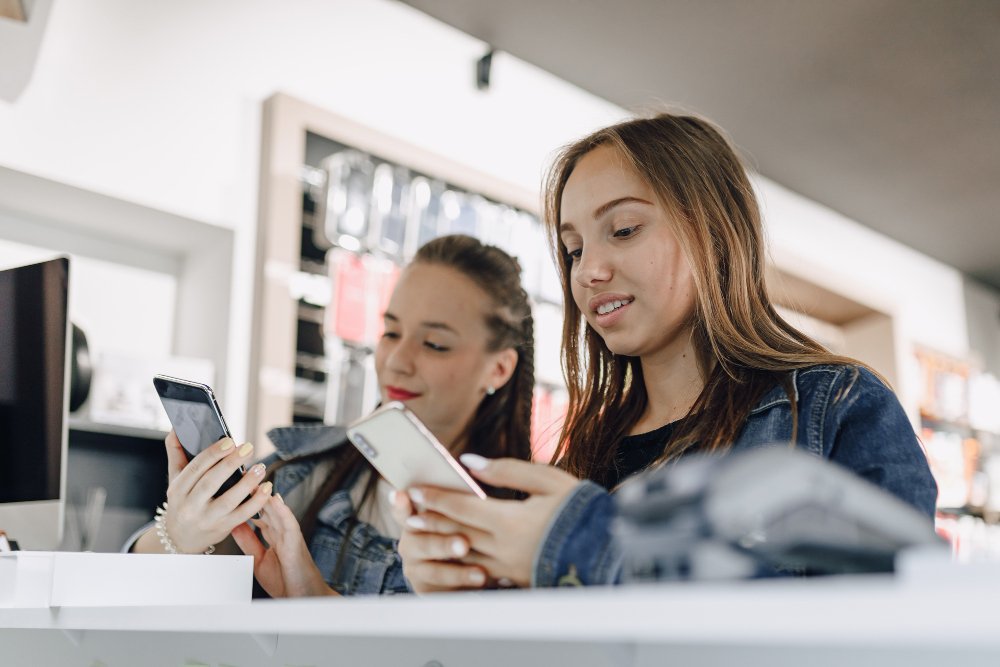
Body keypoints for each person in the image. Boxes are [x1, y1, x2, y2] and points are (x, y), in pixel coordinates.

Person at [390, 111, 939, 592]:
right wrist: (469, 586)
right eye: (573, 249)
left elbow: (892, 630)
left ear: (714, 232)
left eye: (623, 230)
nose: (589, 271)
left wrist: (588, 545)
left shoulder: (835, 406)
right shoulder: (582, 454)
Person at [130, 234, 535, 596]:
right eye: (391, 332)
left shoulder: (533, 527)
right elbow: (130, 590)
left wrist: (318, 603)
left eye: (433, 344)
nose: (396, 361)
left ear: (498, 368)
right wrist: (177, 536)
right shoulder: (302, 474)